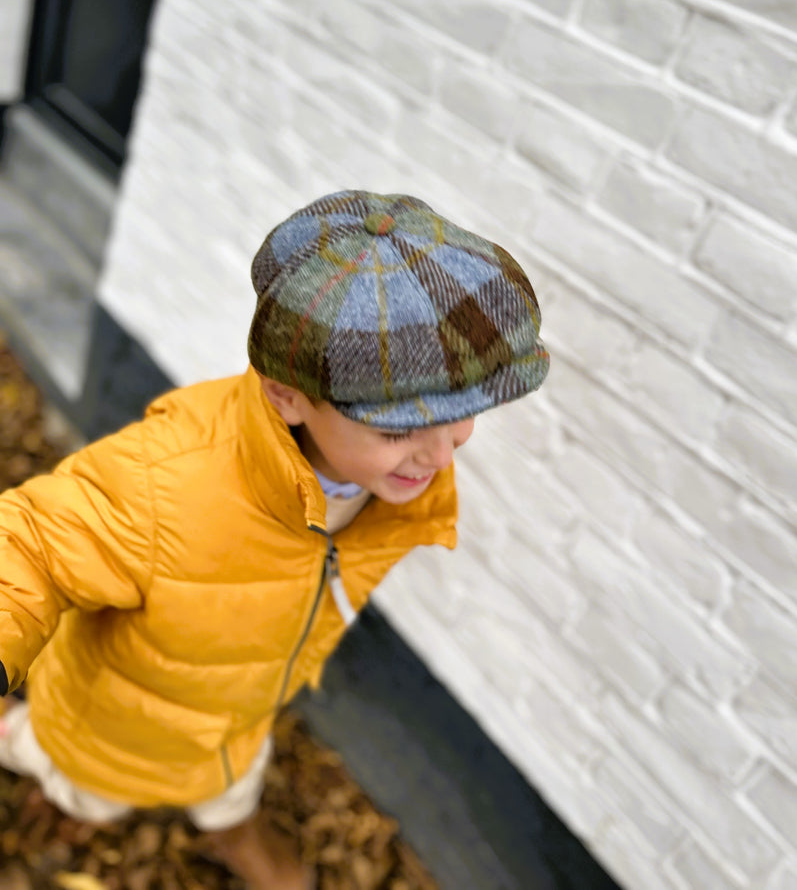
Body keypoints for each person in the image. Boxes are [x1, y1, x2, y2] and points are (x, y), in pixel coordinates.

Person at [0, 190, 549, 889]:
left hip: (240, 714)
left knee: (231, 783)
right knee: (85, 782)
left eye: (463, 415)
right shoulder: (165, 480)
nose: (441, 456)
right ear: (286, 394)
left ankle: (234, 833)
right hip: (114, 725)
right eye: (398, 429)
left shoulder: (385, 482)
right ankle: (33, 760)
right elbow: (35, 543)